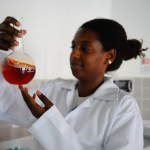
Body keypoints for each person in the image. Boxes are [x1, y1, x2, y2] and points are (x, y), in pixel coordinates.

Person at [0, 16, 148, 150]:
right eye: (73, 46)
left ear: (109, 56)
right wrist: (2, 52)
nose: (74, 54)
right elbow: (5, 105)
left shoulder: (123, 106)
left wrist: (49, 122)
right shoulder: (52, 89)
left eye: (85, 48)